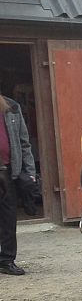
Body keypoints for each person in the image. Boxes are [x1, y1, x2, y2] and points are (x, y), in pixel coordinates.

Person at [0, 93, 37, 275]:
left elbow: (24, 143)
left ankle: (6, 260)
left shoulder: (12, 107)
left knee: (8, 218)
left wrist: (30, 172)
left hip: (7, 171)